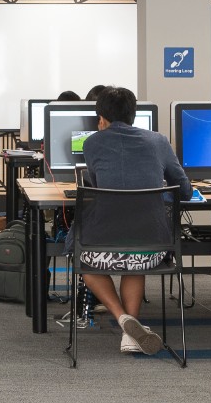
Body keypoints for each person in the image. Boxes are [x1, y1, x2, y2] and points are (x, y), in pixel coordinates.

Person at [78, 86, 192, 356]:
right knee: (135, 251)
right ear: (134, 114)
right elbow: (185, 191)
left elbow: (97, 183)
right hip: (150, 249)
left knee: (82, 259)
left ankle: (122, 319)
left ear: (101, 118)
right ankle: (131, 332)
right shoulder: (159, 141)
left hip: (101, 247)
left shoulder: (91, 143)